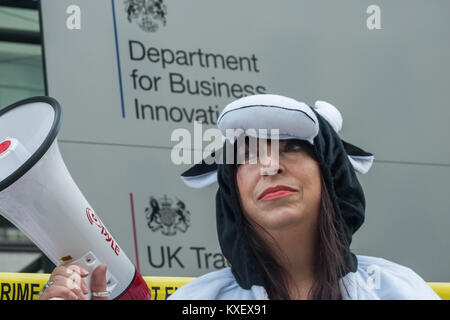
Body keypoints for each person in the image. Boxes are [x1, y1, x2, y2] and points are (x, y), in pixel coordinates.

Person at [39, 94, 441, 300]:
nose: (270, 166)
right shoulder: (199, 301)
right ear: (233, 192)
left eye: (291, 148)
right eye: (248, 155)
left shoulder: (396, 289)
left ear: (332, 174)